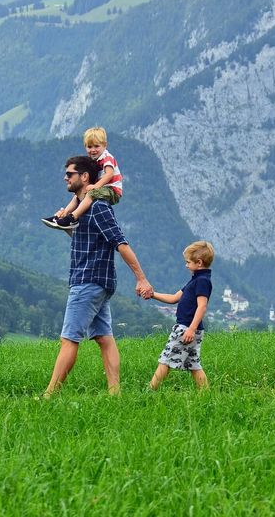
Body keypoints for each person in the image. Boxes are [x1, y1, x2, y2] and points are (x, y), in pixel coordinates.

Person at [43, 155, 153, 397]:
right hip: (96, 281)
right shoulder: (80, 211)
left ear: (84, 177)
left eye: (70, 174)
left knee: (69, 339)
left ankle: (49, 395)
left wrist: (141, 278)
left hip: (88, 281)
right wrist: (65, 225)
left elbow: (120, 242)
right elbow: (85, 240)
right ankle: (115, 394)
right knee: (104, 338)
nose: (65, 177)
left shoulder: (99, 207)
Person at [143, 241, 214, 391]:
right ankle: (206, 394)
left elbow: (202, 306)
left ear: (199, 263)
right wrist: (152, 295)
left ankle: (149, 391)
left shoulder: (202, 281)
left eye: (188, 262)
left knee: (166, 360)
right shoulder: (196, 280)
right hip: (191, 329)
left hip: (186, 328)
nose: (186, 265)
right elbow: (174, 298)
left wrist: (191, 329)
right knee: (193, 364)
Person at [42, 126, 122, 230]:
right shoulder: (95, 159)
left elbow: (109, 174)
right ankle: (61, 216)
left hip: (112, 190)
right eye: (89, 147)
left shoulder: (107, 157)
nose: (93, 150)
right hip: (103, 188)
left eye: (96, 146)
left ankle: (72, 218)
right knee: (77, 196)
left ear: (105, 145)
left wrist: (95, 186)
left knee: (91, 194)